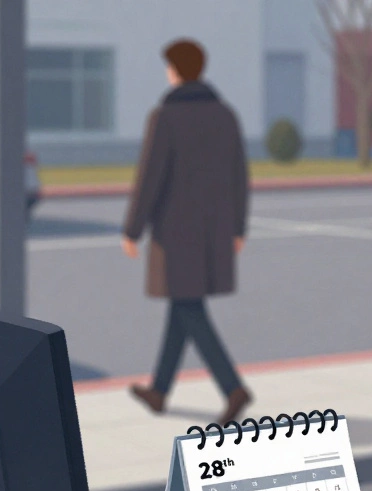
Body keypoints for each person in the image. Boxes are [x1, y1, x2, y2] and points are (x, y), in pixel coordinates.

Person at [123, 39, 252, 425]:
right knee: (182, 308)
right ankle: (159, 391)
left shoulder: (164, 117)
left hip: (175, 234)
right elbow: (239, 177)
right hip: (212, 231)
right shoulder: (225, 115)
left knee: (189, 309)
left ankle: (233, 389)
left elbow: (150, 178)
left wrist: (133, 228)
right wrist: (239, 227)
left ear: (177, 71)